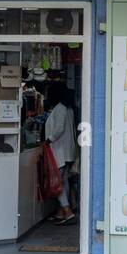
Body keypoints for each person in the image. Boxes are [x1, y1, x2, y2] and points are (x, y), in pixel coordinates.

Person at [43, 82, 77, 225]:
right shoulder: (68, 108)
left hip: (60, 151)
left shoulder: (60, 109)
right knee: (64, 181)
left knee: (58, 183)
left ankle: (67, 211)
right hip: (67, 151)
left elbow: (58, 129)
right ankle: (61, 212)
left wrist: (48, 140)